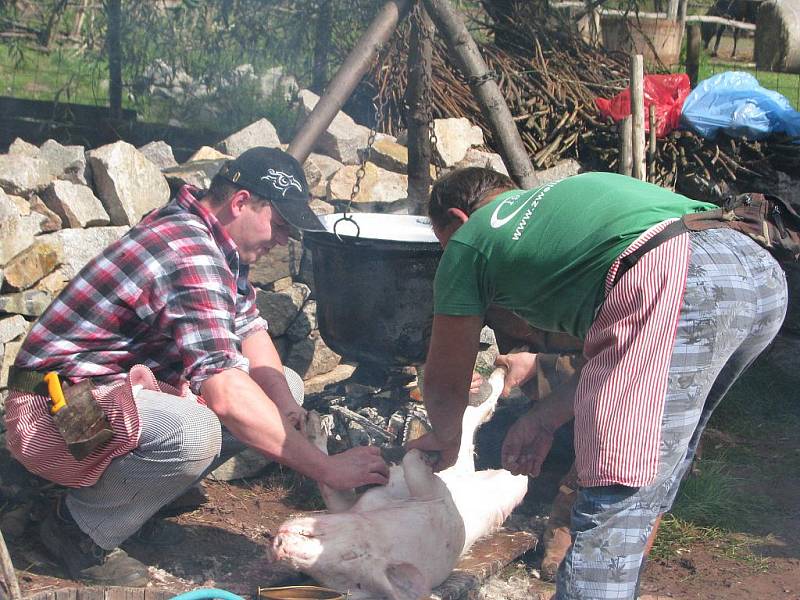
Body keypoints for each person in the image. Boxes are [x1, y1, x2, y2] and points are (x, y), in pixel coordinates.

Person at [4, 147, 389, 587]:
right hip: (54, 410)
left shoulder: (217, 244)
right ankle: (74, 528)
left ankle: (130, 506)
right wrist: (327, 469)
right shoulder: (189, 251)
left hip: (111, 392)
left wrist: (286, 408)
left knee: (287, 388)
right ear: (241, 203)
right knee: (192, 433)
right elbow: (224, 391)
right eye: (280, 225)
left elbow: (251, 330)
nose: (283, 240)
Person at [408, 167, 788, 599]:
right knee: (649, 475)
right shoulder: (565, 209)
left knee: (613, 489)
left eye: (444, 243)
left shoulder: (470, 238)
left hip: (677, 275)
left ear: (457, 220)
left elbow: (443, 381)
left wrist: (447, 437)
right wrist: (544, 419)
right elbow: (625, 358)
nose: (449, 253)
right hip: (756, 269)